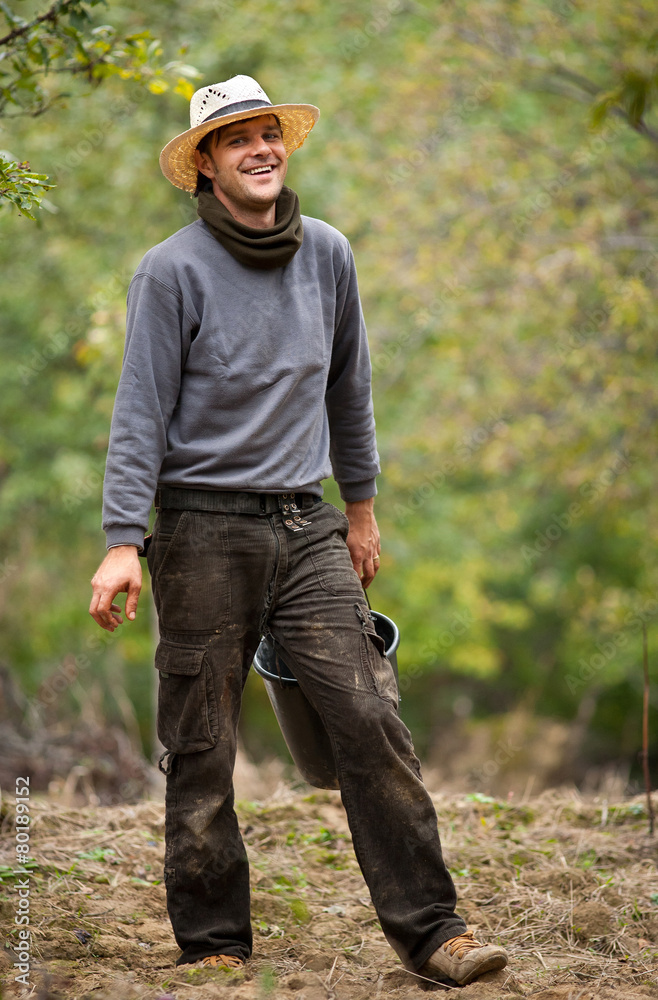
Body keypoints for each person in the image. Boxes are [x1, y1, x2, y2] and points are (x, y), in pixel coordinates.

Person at [88, 75, 508, 987]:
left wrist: (360, 508)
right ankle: (215, 944)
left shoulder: (328, 254)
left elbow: (350, 389)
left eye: (269, 132)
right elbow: (139, 412)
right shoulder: (170, 271)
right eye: (237, 139)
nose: (261, 149)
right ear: (205, 164)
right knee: (201, 743)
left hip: (305, 524)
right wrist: (124, 539)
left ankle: (434, 933)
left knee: (370, 715)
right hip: (201, 531)